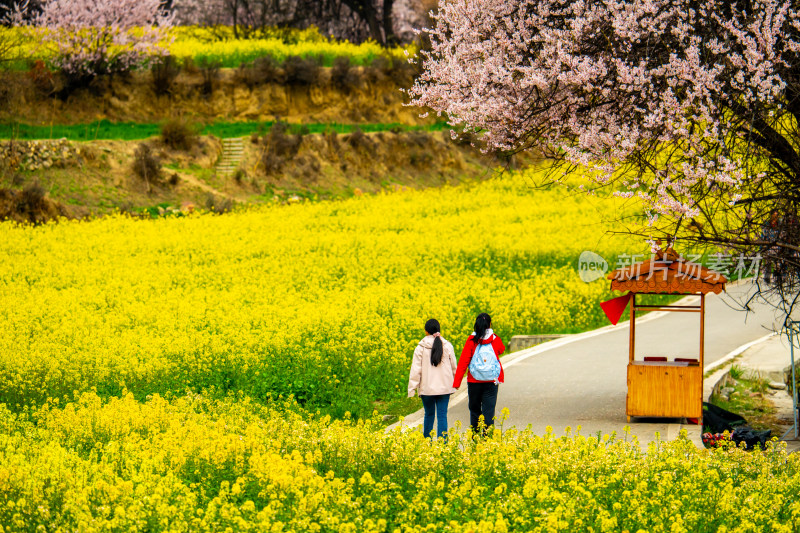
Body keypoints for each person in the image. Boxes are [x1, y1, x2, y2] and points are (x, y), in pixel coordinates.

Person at [453, 312, 506, 435]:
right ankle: (488, 441)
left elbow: (463, 361)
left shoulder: (471, 340)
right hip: (491, 381)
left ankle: (475, 438)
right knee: (489, 411)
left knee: (475, 410)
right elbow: (502, 349)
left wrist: (457, 382)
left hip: (474, 381)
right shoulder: (495, 339)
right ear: (490, 324)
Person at [407, 318, 457, 439]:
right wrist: (455, 382)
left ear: (426, 331)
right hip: (445, 388)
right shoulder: (447, 345)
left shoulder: (420, 347)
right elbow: (454, 366)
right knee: (442, 416)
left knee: (429, 415)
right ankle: (443, 446)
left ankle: (427, 444)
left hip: (427, 389)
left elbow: (415, 370)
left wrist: (412, 389)